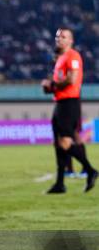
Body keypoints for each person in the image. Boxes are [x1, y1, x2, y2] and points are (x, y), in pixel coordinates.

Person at [41, 28, 97, 193]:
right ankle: (60, 183)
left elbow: (71, 79)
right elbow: (58, 83)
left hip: (69, 103)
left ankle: (91, 170)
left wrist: (52, 85)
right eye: (58, 36)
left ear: (71, 40)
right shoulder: (60, 59)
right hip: (60, 102)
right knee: (58, 144)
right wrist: (48, 87)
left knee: (65, 142)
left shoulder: (73, 56)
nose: (59, 39)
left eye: (64, 36)